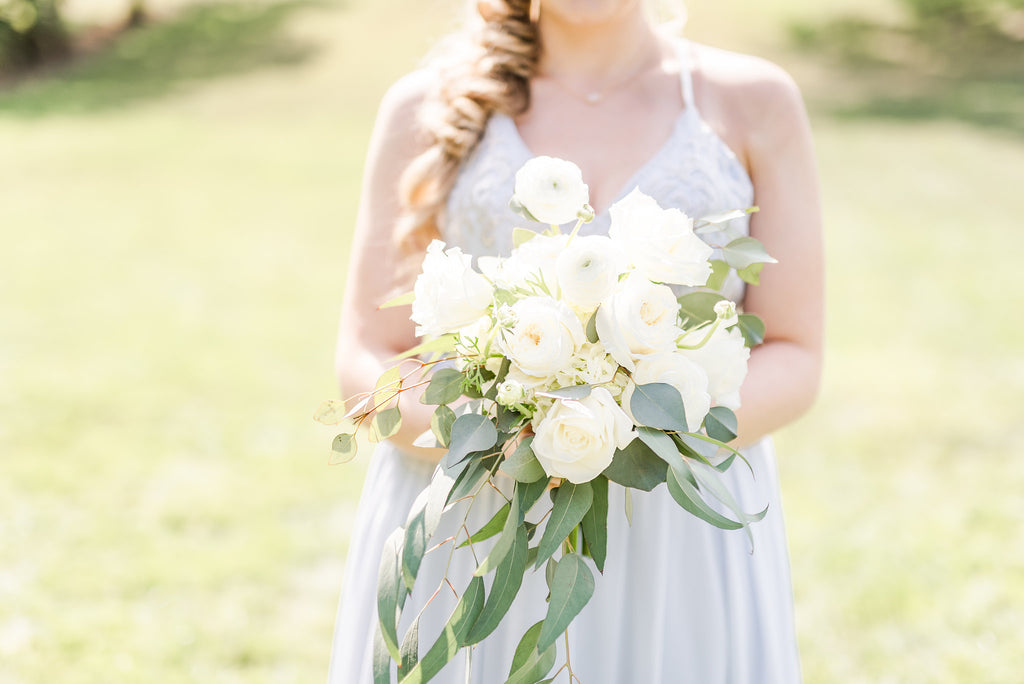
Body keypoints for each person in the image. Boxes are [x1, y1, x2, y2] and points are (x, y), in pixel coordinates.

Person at [328, 0, 824, 681]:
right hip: (474, 526)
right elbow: (365, 361)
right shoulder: (425, 107)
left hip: (676, 527)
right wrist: (512, 444)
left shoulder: (755, 102)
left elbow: (795, 352)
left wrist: (631, 438)